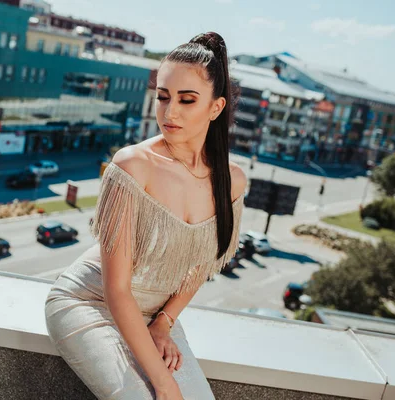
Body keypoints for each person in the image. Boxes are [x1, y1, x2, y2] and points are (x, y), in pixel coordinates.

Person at [44, 32, 247, 400]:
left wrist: (164, 323)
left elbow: (201, 265)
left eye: (187, 100)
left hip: (155, 317)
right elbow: (116, 289)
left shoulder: (231, 182)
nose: (170, 113)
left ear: (216, 109)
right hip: (90, 303)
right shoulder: (133, 165)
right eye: (163, 97)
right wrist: (164, 382)